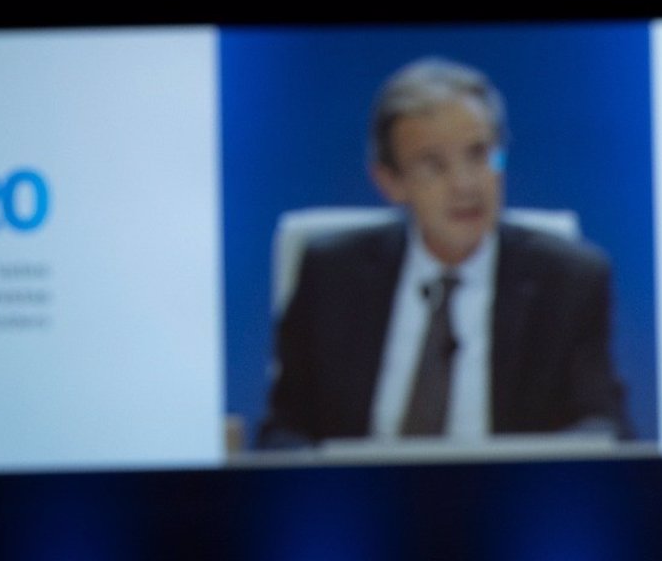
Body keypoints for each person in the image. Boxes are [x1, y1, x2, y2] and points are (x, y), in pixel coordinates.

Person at [260, 57, 632, 445]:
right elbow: (285, 429)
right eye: (433, 165)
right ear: (390, 182)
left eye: (479, 155)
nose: (465, 185)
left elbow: (603, 426)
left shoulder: (568, 282)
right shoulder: (331, 275)